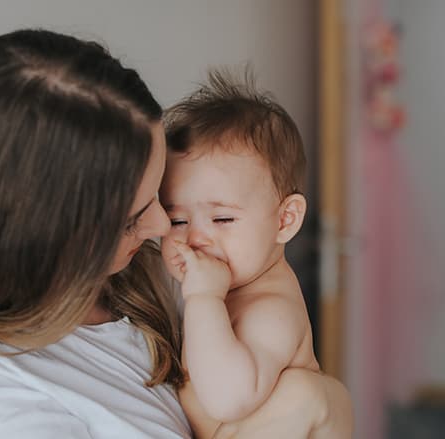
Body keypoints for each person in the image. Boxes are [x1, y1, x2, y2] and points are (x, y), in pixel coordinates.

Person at [0, 29, 350, 439]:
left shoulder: (146, 285)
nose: (159, 230)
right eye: (137, 215)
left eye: (158, 196)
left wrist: (322, 406)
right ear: (45, 237)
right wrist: (315, 404)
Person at [160, 70, 351, 439]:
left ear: (285, 220)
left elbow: (227, 401)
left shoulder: (272, 310)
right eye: (177, 219)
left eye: (223, 218)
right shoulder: (232, 291)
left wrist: (204, 298)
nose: (198, 237)